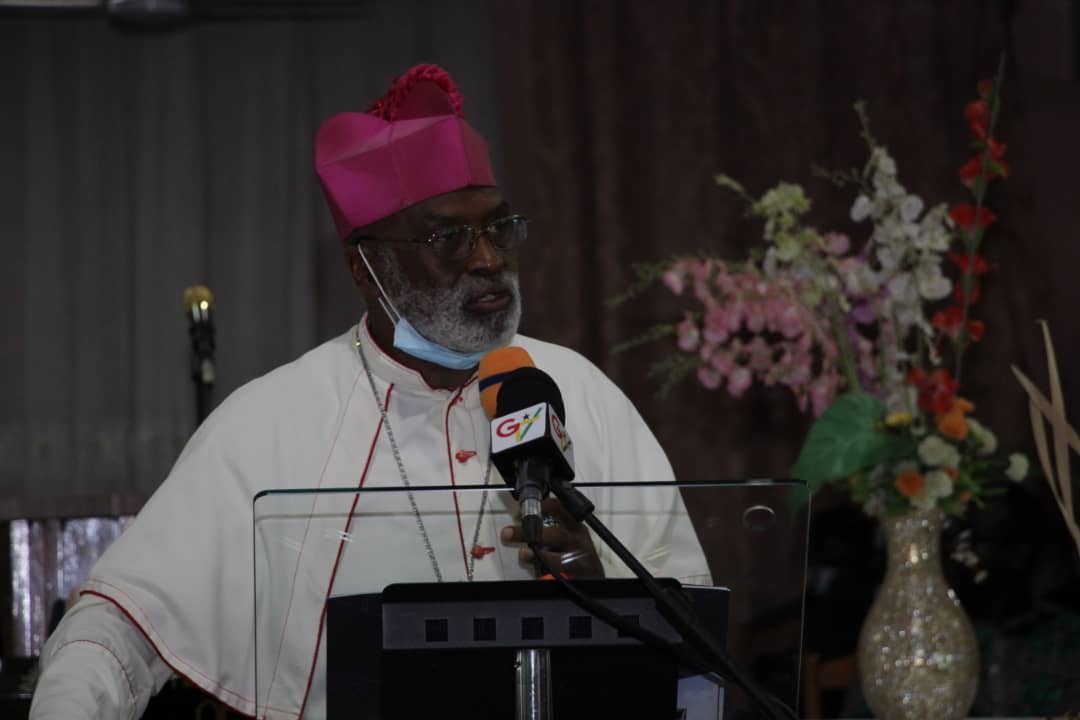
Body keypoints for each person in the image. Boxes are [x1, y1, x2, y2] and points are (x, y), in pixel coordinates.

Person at [29, 64, 709, 720]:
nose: (488, 259)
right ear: (366, 268)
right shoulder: (271, 420)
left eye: (499, 226)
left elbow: (698, 633)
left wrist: (604, 595)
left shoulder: (580, 393)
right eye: (447, 236)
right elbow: (116, 626)